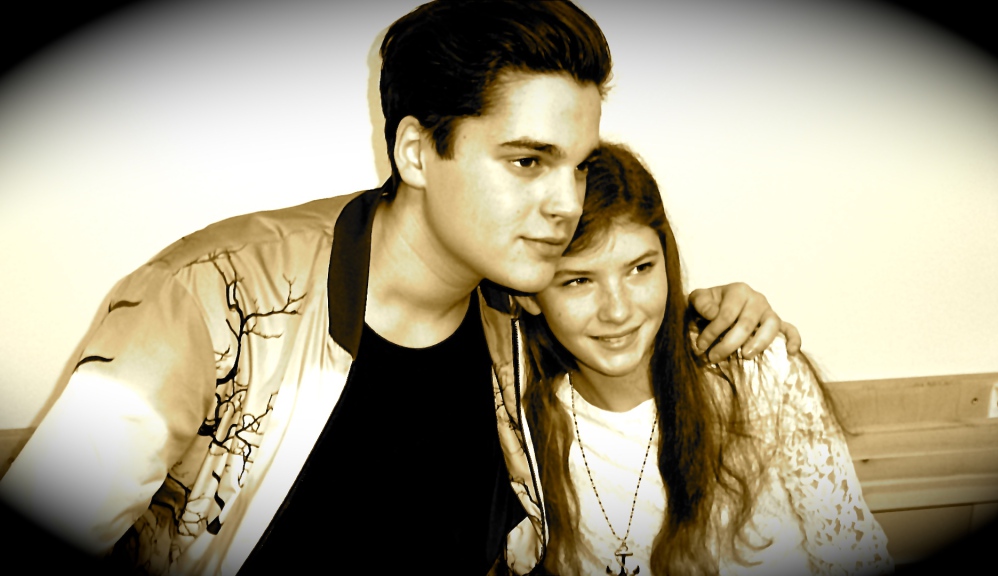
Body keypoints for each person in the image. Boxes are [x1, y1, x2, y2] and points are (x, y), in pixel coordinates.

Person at [0, 2, 798, 574]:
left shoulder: (516, 311)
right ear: (416, 152)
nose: (566, 203)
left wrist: (721, 314)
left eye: (578, 165)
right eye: (527, 162)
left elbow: (623, 334)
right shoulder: (208, 301)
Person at [519, 142, 893, 575]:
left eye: (640, 268)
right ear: (530, 293)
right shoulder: (517, 426)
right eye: (579, 281)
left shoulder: (755, 372)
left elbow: (854, 556)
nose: (617, 311)